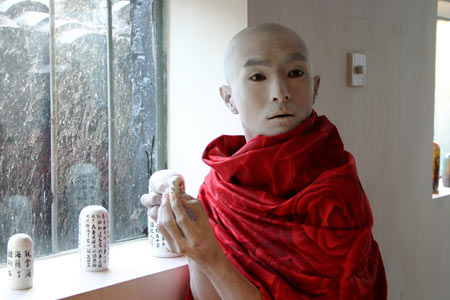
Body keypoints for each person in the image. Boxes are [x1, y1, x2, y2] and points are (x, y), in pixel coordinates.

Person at [141, 23, 387, 300]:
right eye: (258, 77)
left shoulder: (336, 190)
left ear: (315, 87)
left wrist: (211, 257)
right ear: (228, 98)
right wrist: (193, 243)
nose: (280, 93)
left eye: (295, 73)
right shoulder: (218, 187)